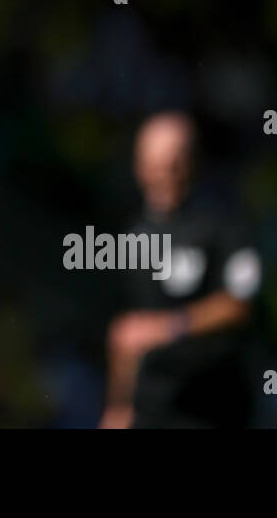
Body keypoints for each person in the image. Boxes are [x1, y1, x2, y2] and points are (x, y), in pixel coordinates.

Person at [100, 111, 262, 428]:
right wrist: (117, 408)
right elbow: (125, 331)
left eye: (176, 160)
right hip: (152, 409)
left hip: (213, 405)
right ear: (138, 165)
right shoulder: (131, 232)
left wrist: (170, 327)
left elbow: (240, 303)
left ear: (194, 161)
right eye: (155, 162)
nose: (165, 172)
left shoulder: (224, 223)